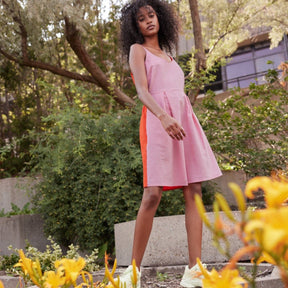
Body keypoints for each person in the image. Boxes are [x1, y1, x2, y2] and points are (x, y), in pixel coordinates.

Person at [118, 0, 222, 287]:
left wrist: (180, 118)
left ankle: (194, 270)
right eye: (142, 18)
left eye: (152, 15)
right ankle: (133, 272)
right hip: (157, 122)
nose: (149, 20)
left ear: (160, 17)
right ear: (134, 25)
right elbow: (142, 91)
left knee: (195, 189)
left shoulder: (170, 57)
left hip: (184, 122)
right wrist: (163, 117)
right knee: (152, 194)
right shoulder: (137, 51)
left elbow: (179, 95)